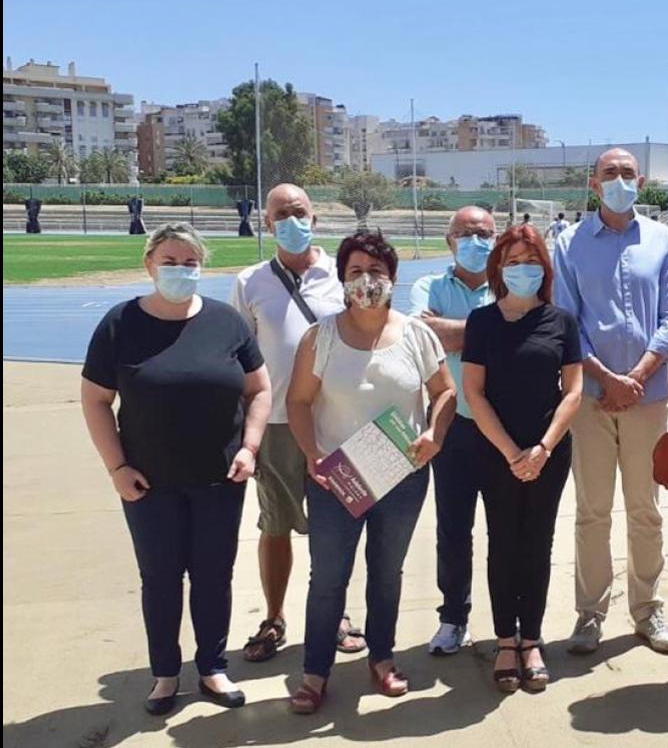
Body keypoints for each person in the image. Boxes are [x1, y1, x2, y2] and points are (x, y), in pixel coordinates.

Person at [81, 223, 273, 714]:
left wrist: (249, 447)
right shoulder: (120, 324)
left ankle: (212, 666)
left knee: (214, 576)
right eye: (170, 261)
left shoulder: (226, 322)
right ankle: (165, 674)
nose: (181, 271)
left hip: (219, 479)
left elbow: (259, 390)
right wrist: (116, 467)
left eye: (190, 262)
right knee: (161, 578)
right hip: (149, 483)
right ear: (149, 264)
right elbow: (97, 400)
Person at [285, 232, 456, 713]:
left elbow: (445, 393)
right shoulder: (321, 337)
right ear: (342, 278)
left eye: (377, 272)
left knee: (387, 572)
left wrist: (435, 436)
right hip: (336, 479)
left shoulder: (417, 334)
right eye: (357, 271)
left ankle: (381, 657)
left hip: (400, 474)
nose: (367, 280)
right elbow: (298, 402)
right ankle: (315, 670)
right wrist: (312, 454)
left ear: (393, 279)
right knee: (328, 577)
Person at [554, 147, 668, 655]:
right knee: (591, 512)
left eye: (627, 173)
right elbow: (566, 322)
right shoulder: (568, 244)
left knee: (645, 510)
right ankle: (589, 615)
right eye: (609, 173)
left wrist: (636, 377)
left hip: (648, 397)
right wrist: (607, 379)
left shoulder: (660, 241)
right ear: (593, 185)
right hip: (589, 398)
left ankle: (648, 611)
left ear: (642, 181)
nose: (618, 180)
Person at [229, 184, 358, 664]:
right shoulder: (249, 282)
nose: (291, 220)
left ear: (315, 218)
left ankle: (336, 615)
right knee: (276, 525)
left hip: (337, 421)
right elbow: (239, 358)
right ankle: (275, 616)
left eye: (299, 212)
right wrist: (248, 431)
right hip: (278, 424)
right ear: (267, 224)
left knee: (336, 529)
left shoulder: (341, 276)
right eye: (281, 214)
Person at [462, 225, 584, 692]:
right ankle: (505, 642)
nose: (522, 271)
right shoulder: (483, 322)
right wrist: (513, 452)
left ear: (545, 270)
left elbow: (572, 391)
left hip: (548, 451)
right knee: (503, 544)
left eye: (531, 262)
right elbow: (474, 392)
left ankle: (531, 639)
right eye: (512, 262)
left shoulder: (561, 321)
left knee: (537, 544)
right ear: (498, 269)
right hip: (498, 452)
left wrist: (543, 448)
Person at [409, 206, 497, 656]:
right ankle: (453, 617)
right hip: (453, 426)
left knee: (506, 531)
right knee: (453, 528)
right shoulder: (428, 285)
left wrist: (457, 331)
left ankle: (510, 619)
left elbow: (517, 333)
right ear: (449, 241)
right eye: (466, 233)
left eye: (484, 233)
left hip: (503, 429)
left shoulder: (512, 283)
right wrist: (493, 329)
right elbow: (425, 338)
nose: (476, 241)